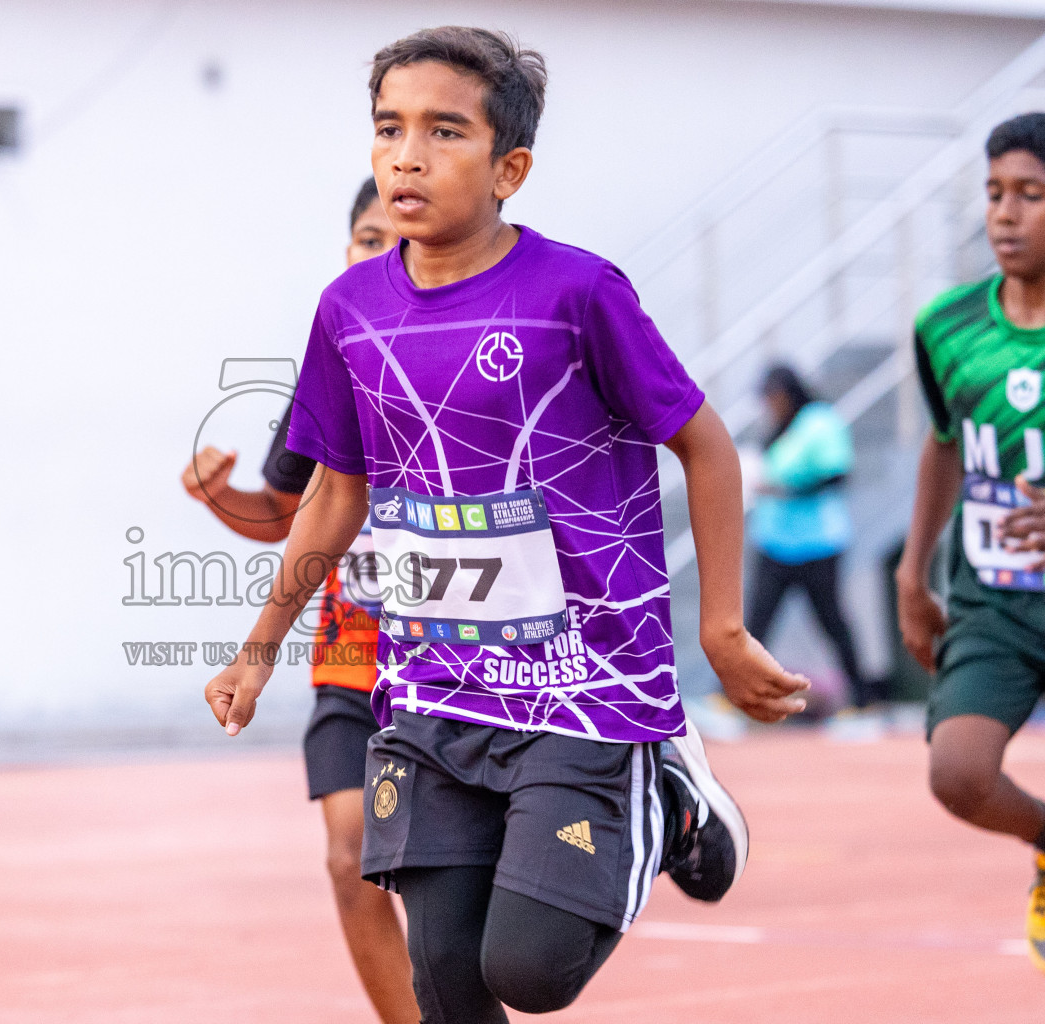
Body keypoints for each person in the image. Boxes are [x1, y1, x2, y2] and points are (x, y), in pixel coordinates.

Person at [204, 26, 808, 1019]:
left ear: (509, 168)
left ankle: (663, 790)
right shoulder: (347, 312)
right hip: (433, 691)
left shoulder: (577, 294)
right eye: (389, 128)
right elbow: (337, 494)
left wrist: (723, 629)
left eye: (445, 131)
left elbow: (705, 444)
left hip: (583, 688)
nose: (408, 155)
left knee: (526, 971)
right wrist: (257, 651)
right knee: (445, 979)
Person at [180, 179, 416, 1024]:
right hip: (354, 648)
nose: (381, 251)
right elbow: (288, 514)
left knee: (454, 885)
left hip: (472, 659)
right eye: (365, 236)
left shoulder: (482, 360)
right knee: (350, 857)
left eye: (399, 236)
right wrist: (221, 496)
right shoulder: (333, 368)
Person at [897, 111, 1045, 974]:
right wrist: (912, 574)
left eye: (1030, 194)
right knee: (957, 773)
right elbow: (944, 441)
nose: (1006, 214)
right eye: (995, 194)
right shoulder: (949, 327)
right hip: (993, 599)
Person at [745, 363, 877, 731]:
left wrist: (787, 490)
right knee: (756, 623)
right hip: (774, 540)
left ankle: (863, 700)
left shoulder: (820, 421)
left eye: (774, 397)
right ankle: (737, 698)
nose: (770, 404)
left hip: (817, 542)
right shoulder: (775, 428)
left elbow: (837, 475)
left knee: (832, 620)